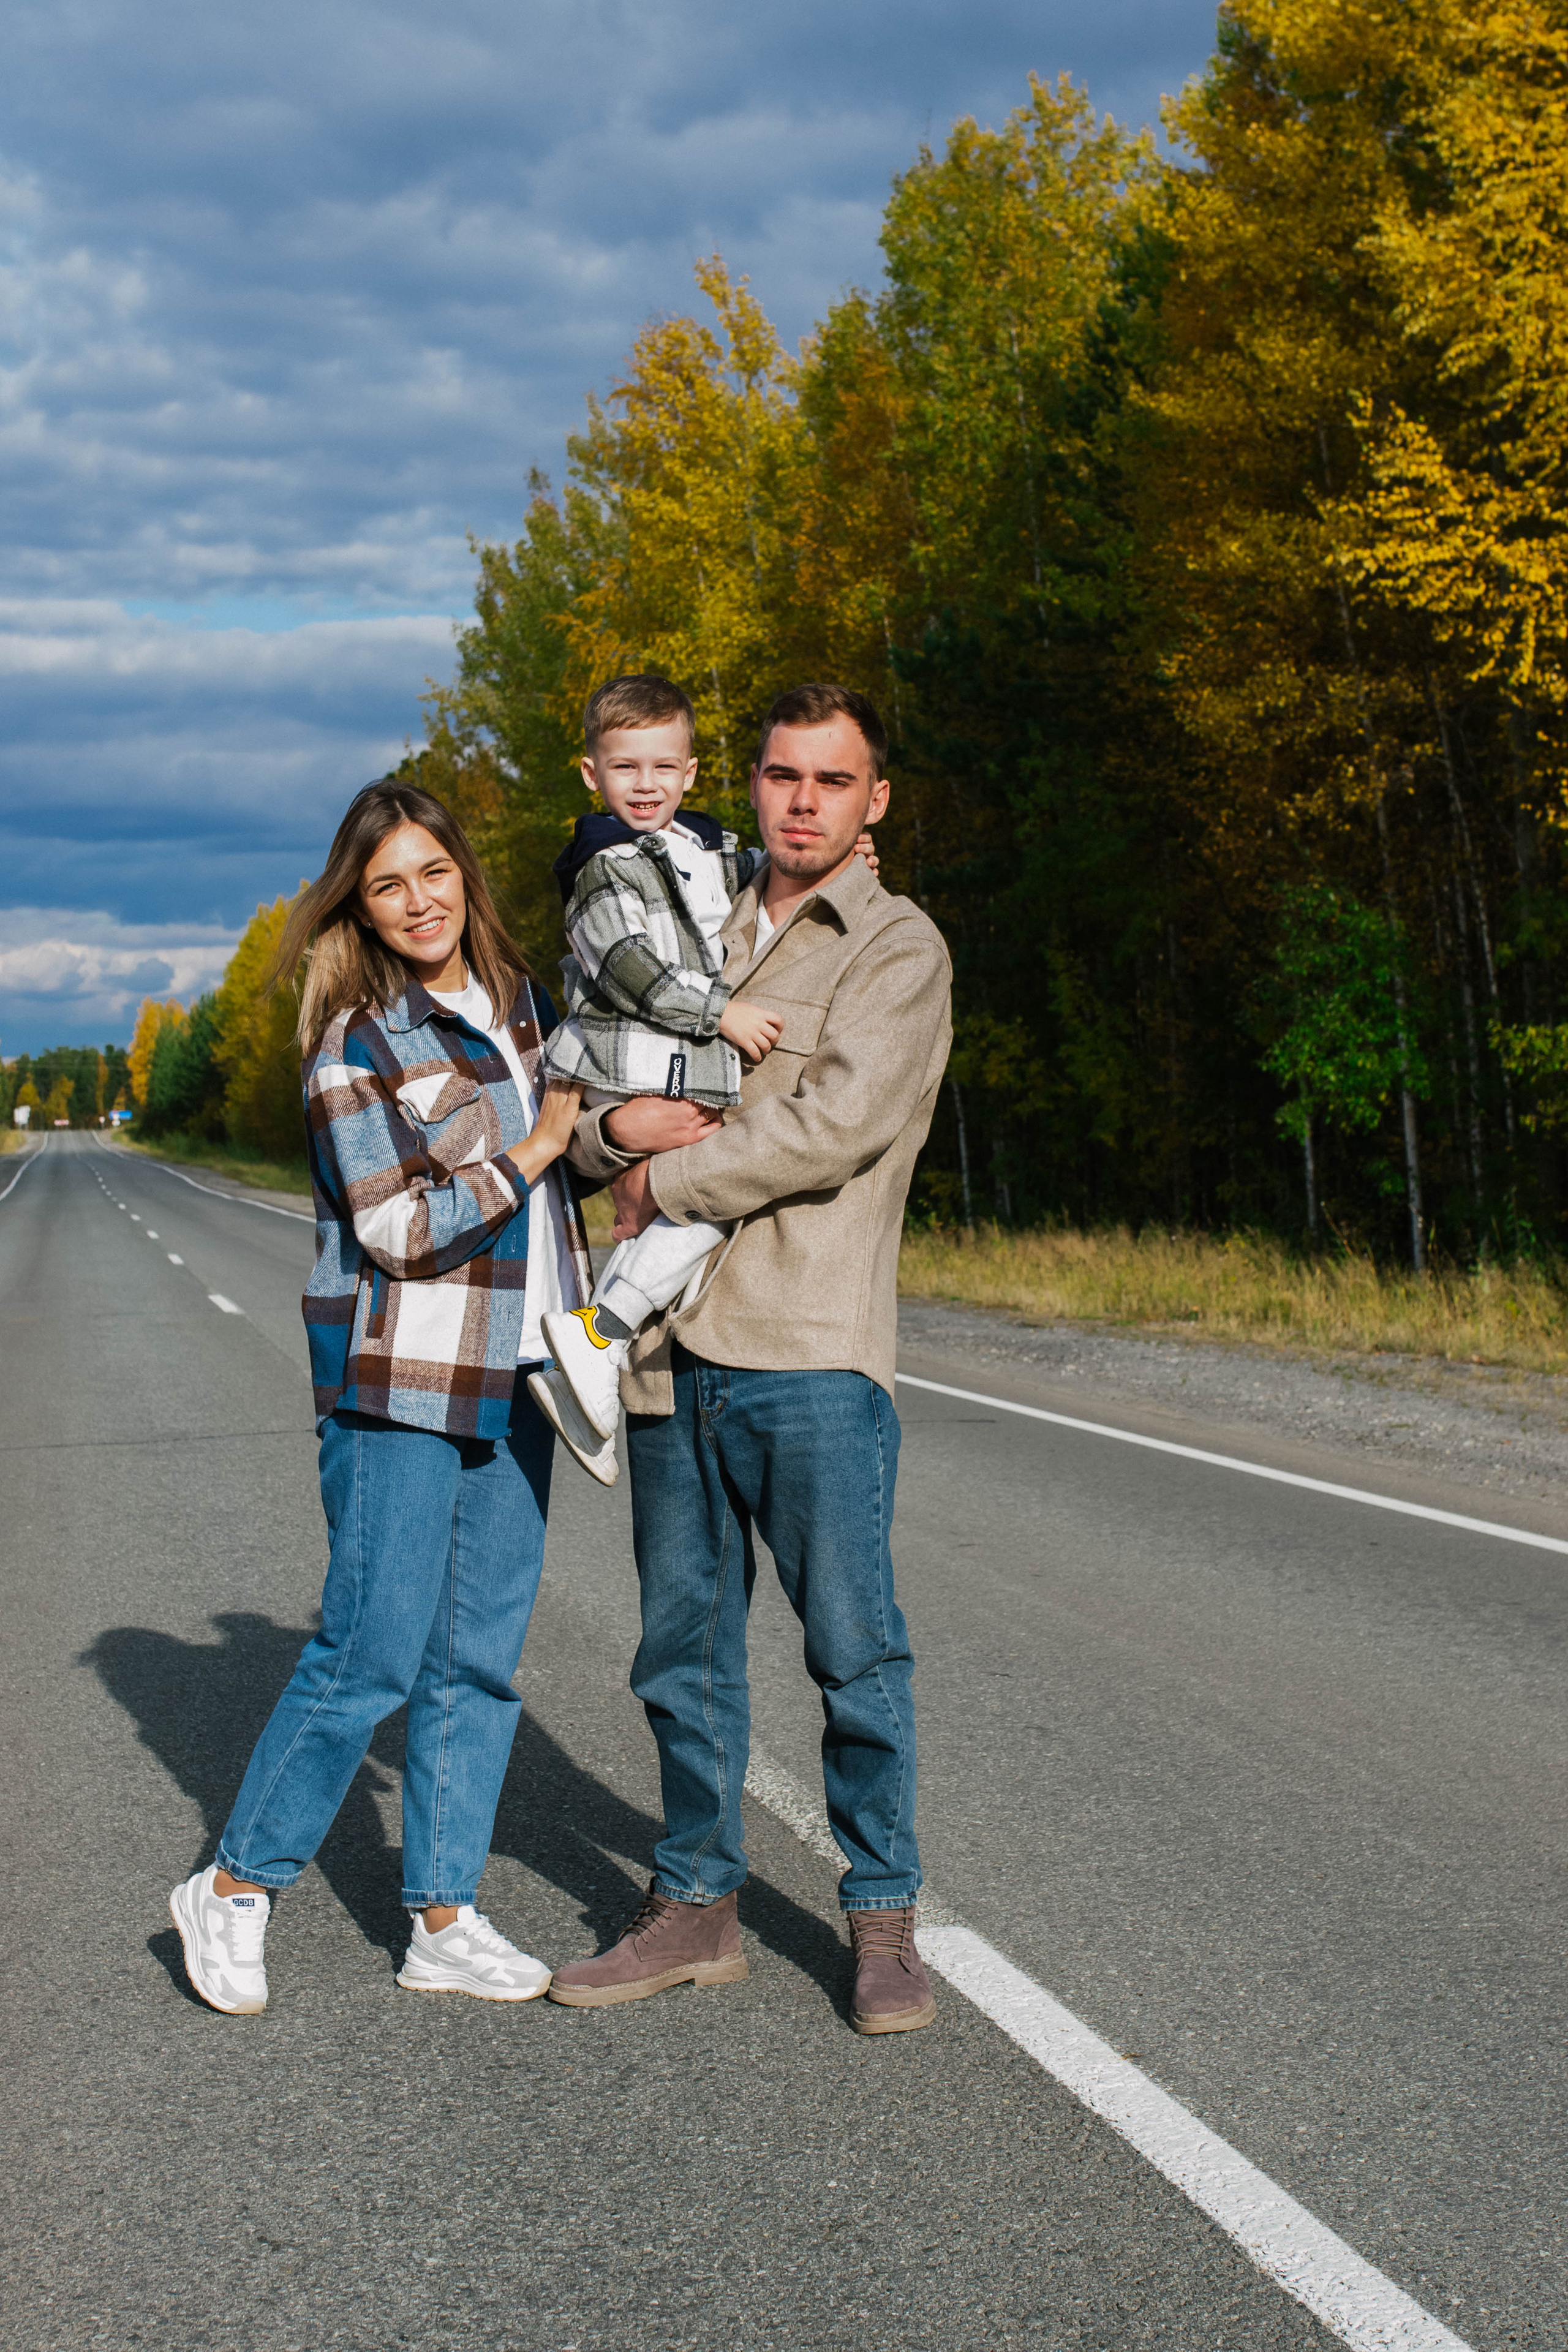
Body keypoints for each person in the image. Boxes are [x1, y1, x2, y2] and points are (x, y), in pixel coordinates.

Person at [546, 683, 952, 2035]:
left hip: (806, 1347)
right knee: (680, 1651)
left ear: (872, 800)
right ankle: (695, 1908)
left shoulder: (892, 949)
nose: (798, 802)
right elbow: (599, 1101)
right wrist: (613, 1144)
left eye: (829, 782)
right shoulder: (686, 913)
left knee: (851, 1651)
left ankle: (882, 1916)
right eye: (781, 776)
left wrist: (662, 1178)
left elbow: (829, 1129)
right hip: (663, 1352)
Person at [168, 782, 587, 2016]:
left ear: (466, 873)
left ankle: (442, 1918)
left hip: (521, 1376)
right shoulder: (356, 1041)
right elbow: (400, 1228)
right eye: (387, 882)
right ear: (359, 901)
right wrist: (535, 1150)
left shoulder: (524, 1007)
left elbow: (595, 1121)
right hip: (400, 1378)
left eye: (433, 871)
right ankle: (237, 1885)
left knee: (479, 1663)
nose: (417, 900)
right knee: (370, 1655)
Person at [530, 673, 878, 1483]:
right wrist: (718, 1012)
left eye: (662, 768)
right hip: (634, 1060)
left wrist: (838, 855)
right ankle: (599, 1339)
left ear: (690, 773)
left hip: (678, 1061)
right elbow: (626, 968)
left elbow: (757, 874)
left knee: (694, 1207)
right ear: (592, 775)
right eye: (625, 769)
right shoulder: (599, 866)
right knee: (711, 1195)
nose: (644, 786)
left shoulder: (705, 845)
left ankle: (590, 1357)